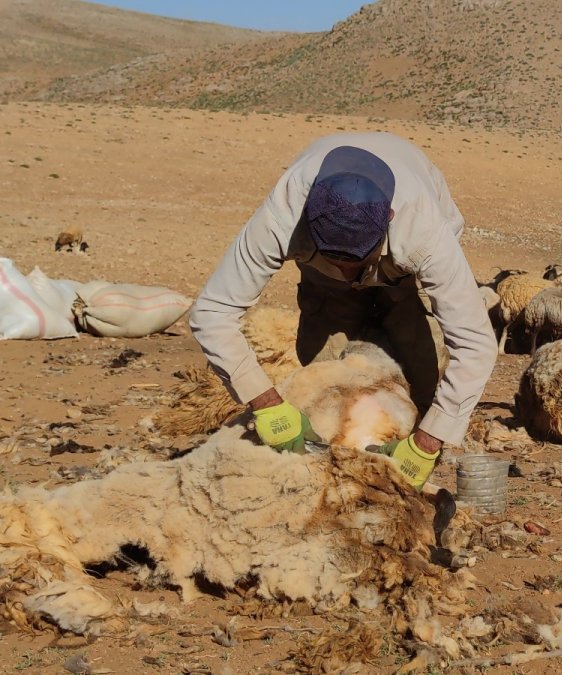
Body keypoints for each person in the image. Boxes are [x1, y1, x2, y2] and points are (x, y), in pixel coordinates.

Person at [190, 132, 497, 490]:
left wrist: (428, 442)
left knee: (422, 369)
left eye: (357, 263)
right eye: (341, 262)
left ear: (390, 219)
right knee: (324, 375)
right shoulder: (282, 217)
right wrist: (268, 404)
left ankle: (404, 471)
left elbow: (476, 344)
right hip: (323, 279)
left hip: (397, 272)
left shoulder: (425, 232)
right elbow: (212, 312)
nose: (353, 277)